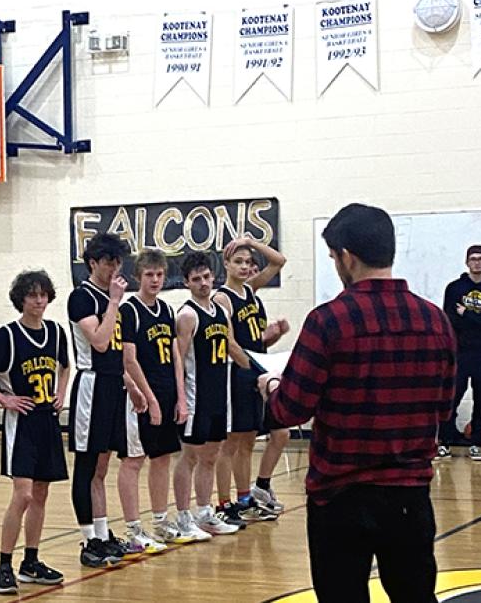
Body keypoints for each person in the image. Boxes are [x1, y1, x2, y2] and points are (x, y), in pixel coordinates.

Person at [261, 203, 456, 603]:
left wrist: (272, 386)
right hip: (409, 495)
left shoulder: (327, 321)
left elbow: (290, 410)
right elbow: (444, 410)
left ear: (347, 256)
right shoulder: (435, 320)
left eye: (334, 257)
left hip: (340, 497)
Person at [0, 270, 70, 596]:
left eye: (43, 295)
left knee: (41, 494)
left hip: (46, 420)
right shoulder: (8, 336)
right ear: (21, 299)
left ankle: (31, 561)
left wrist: (62, 392)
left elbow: (65, 365)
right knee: (23, 494)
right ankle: (4, 564)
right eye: (32, 295)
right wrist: (2, 399)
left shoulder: (55, 332)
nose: (39, 301)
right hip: (21, 422)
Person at [172, 251, 253, 540]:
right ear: (186, 283)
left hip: (220, 394)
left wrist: (258, 372)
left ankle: (205, 512)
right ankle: (183, 515)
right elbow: (177, 358)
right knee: (189, 456)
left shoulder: (221, 311)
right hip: (196, 397)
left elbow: (231, 345)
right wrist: (181, 399)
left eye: (206, 277)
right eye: (196, 279)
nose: (203, 283)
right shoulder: (187, 315)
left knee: (211, 455)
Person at [67, 232, 137, 568]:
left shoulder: (112, 299)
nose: (114, 268)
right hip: (90, 386)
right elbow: (98, 341)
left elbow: (117, 353)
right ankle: (87, 540)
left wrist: (133, 387)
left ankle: (102, 532)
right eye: (108, 262)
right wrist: (113, 302)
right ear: (93, 262)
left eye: (117, 262)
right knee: (86, 465)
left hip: (113, 385)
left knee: (102, 467)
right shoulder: (82, 298)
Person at [213, 236, 289, 523]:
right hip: (238, 372)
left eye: (248, 262)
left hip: (256, 370)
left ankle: (247, 497)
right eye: (239, 261)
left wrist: (250, 241)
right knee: (231, 442)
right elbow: (231, 342)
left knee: (248, 440)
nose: (245, 267)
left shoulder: (250, 290)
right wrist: (255, 368)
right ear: (227, 263)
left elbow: (279, 261)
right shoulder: (223, 297)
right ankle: (225, 503)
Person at [116, 248, 183, 550]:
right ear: (137, 277)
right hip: (141, 398)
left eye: (159, 274)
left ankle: (160, 521)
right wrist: (150, 398)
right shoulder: (129, 310)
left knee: (162, 458)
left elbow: (175, 355)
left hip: (167, 392)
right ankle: (133, 529)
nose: (155, 279)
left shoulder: (168, 311)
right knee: (134, 460)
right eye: (149, 275)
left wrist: (180, 396)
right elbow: (128, 359)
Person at [441, 244, 481, 462]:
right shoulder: (455, 289)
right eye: (473, 259)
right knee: (453, 396)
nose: (476, 262)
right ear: (467, 262)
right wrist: (478, 317)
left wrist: (466, 312)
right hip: (460, 351)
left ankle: (476, 442)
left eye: (480, 259)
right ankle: (445, 442)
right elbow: (450, 318)